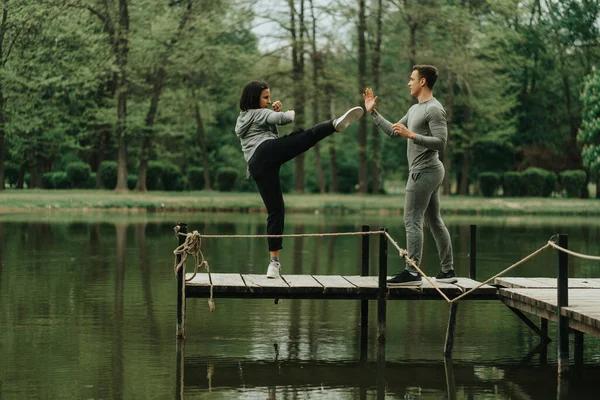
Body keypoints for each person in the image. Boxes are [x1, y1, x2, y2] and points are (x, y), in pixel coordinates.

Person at [236, 80, 364, 279]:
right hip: (266, 151)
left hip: (257, 165)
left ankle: (273, 263)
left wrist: (274, 113)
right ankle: (333, 125)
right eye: (266, 97)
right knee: (306, 136)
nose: (269, 101)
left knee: (276, 210)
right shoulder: (260, 112)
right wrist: (287, 112)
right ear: (255, 98)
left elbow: (268, 129)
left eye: (270, 97)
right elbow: (285, 119)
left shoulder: (243, 117)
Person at [363, 65, 456, 286]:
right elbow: (393, 131)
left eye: (412, 78)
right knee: (433, 220)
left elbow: (441, 143)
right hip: (426, 171)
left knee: (412, 220)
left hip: (425, 171)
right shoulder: (415, 109)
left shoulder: (434, 109)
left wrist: (412, 135)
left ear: (423, 82)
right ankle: (447, 271)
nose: (408, 82)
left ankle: (412, 271)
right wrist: (373, 112)